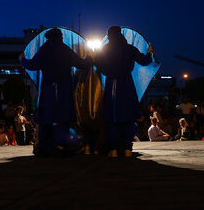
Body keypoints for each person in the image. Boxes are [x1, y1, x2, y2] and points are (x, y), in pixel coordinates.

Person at [21, 28, 93, 155]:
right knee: (63, 118)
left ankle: (44, 148)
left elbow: (32, 65)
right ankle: (60, 146)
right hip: (63, 89)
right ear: (60, 37)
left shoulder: (44, 49)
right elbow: (81, 64)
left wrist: (22, 59)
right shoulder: (65, 50)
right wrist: (89, 57)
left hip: (48, 90)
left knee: (46, 118)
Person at [95, 26, 154, 157]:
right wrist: (150, 52)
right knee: (128, 116)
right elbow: (145, 61)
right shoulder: (129, 48)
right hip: (127, 84)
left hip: (111, 85)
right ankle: (127, 148)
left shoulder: (105, 49)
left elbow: (99, 67)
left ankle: (114, 149)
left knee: (112, 117)